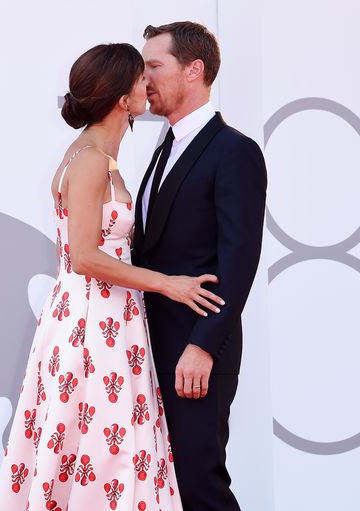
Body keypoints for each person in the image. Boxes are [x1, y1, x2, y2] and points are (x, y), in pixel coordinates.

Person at [0, 42, 226, 511]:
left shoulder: (105, 156)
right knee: (98, 444)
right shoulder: (92, 157)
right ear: (123, 98)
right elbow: (83, 255)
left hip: (112, 317)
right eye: (142, 78)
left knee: (108, 443)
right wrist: (168, 283)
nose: (149, 85)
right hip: (92, 321)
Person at [133, 22, 267, 511]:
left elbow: (239, 259)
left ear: (194, 70)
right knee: (160, 482)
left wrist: (202, 346)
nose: (143, 77)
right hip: (147, 343)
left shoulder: (235, 152)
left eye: (153, 66)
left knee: (197, 480)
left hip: (195, 346)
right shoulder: (163, 148)